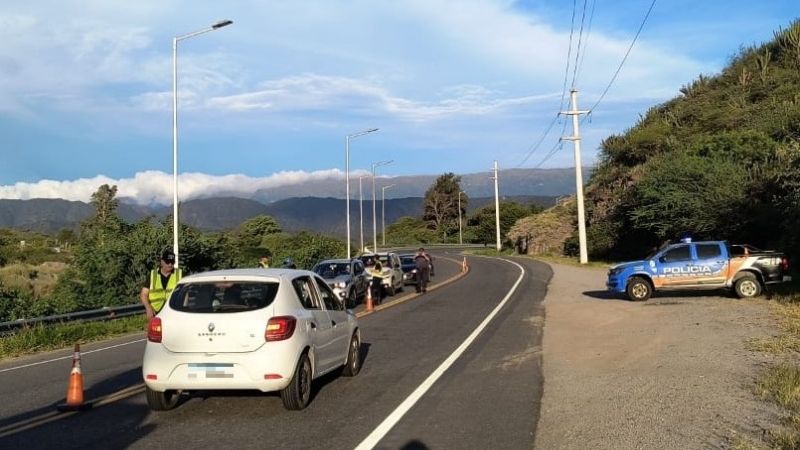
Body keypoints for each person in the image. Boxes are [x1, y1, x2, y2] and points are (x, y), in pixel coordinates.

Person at [140, 250, 182, 320]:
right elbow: (143, 294)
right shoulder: (152, 275)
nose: (170, 264)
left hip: (174, 313)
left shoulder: (180, 274)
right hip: (155, 313)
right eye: (167, 262)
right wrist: (148, 308)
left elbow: (187, 293)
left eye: (172, 262)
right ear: (162, 261)